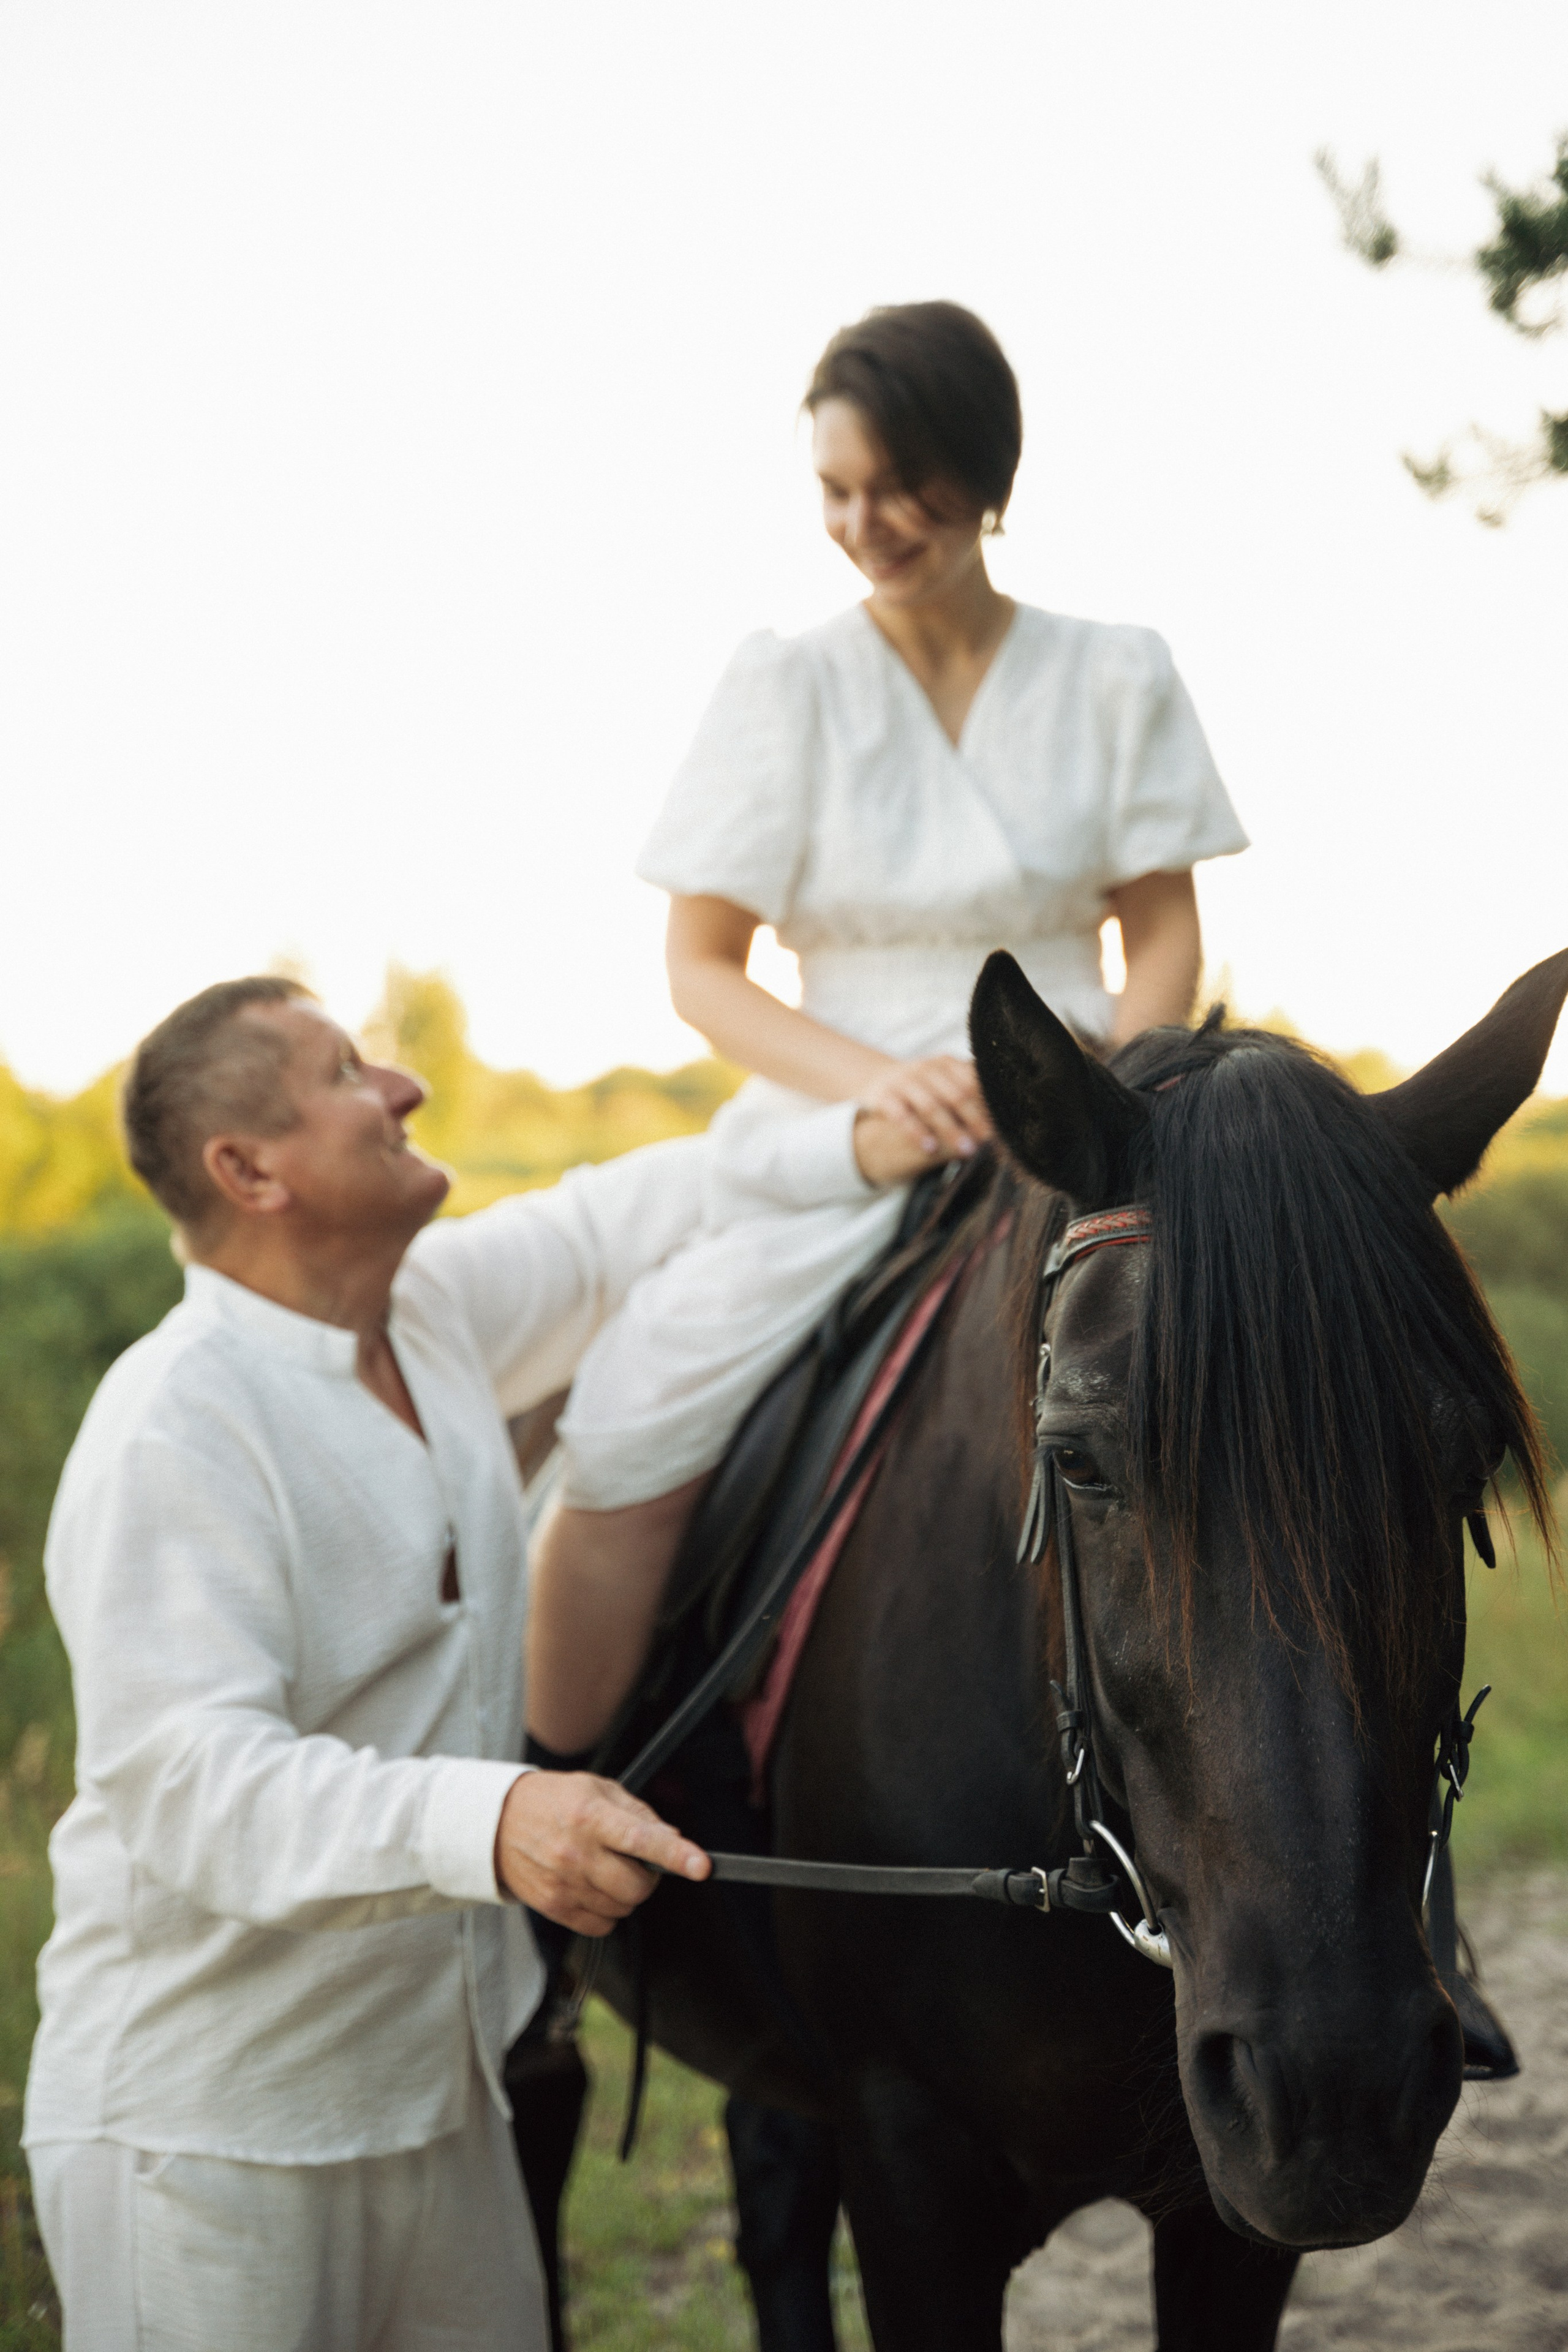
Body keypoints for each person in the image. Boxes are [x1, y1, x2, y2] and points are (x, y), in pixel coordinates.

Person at [22, 974, 918, 2352]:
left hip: (443, 2104)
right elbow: (188, 1783)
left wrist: (874, 1130)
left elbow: (618, 1221)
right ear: (248, 1171)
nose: (404, 1087)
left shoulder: (428, 1314)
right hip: (209, 2142)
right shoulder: (176, 1422)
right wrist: (492, 1819)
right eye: (344, 1072)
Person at [526, 300, 1249, 1757]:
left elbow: (1160, 929)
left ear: (983, 472)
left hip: (1078, 1104)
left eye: (898, 486)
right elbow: (702, 969)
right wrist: (882, 1088)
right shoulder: (782, 684)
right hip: (842, 1115)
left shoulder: (1116, 671)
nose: (862, 525)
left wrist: (1109, 1105)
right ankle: (561, 1806)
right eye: (834, 491)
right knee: (626, 1435)